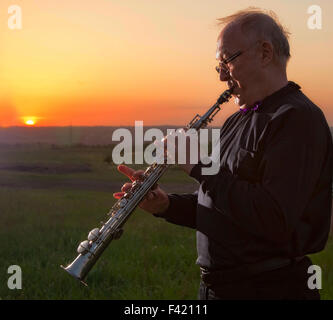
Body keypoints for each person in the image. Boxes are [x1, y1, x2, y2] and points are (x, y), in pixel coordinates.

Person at [114, 8, 333, 300]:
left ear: (265, 53)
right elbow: (223, 203)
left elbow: (273, 218)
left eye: (226, 61)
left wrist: (200, 167)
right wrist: (165, 205)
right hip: (219, 290)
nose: (220, 76)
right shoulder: (236, 120)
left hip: (270, 289)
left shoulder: (296, 119)